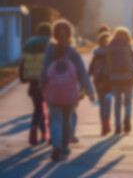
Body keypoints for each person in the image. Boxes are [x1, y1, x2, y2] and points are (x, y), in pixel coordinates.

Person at [40, 20, 95, 162]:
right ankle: (64, 147)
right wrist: (89, 91)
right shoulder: (73, 53)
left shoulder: (50, 51)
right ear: (71, 36)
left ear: (54, 36)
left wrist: (42, 87)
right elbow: (82, 73)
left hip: (53, 92)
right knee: (67, 120)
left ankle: (56, 146)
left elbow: (44, 70)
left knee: (56, 119)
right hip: (70, 93)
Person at [107, 27, 133, 135]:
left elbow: (105, 64)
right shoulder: (127, 48)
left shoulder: (110, 47)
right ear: (127, 37)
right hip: (127, 78)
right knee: (128, 101)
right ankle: (127, 118)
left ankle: (118, 126)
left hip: (114, 79)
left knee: (117, 102)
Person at [19, 23, 52, 146]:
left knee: (38, 109)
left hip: (34, 83)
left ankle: (34, 132)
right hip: (49, 82)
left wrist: (22, 77)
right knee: (49, 110)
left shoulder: (30, 43)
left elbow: (23, 61)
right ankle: (50, 135)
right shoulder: (51, 43)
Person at [89, 31, 112, 136]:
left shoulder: (96, 55)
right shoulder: (111, 54)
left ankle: (103, 125)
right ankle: (107, 122)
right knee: (108, 103)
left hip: (98, 83)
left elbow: (90, 71)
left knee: (102, 105)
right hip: (109, 82)